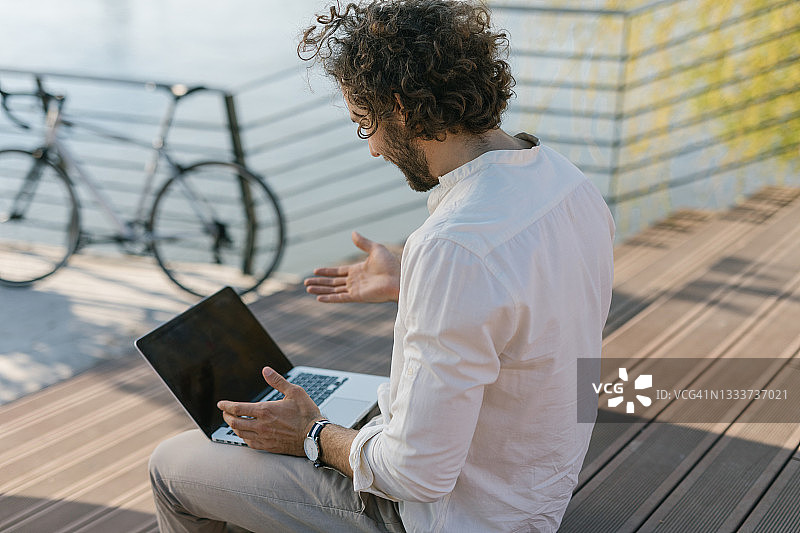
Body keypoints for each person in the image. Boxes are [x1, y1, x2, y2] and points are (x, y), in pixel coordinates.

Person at [148, 1, 614, 531]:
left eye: (363, 123)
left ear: (401, 108)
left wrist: (311, 434)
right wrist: (413, 285)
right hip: (534, 490)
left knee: (171, 465)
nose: (372, 149)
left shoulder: (452, 246)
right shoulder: (567, 183)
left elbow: (415, 475)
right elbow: (529, 311)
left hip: (453, 516)